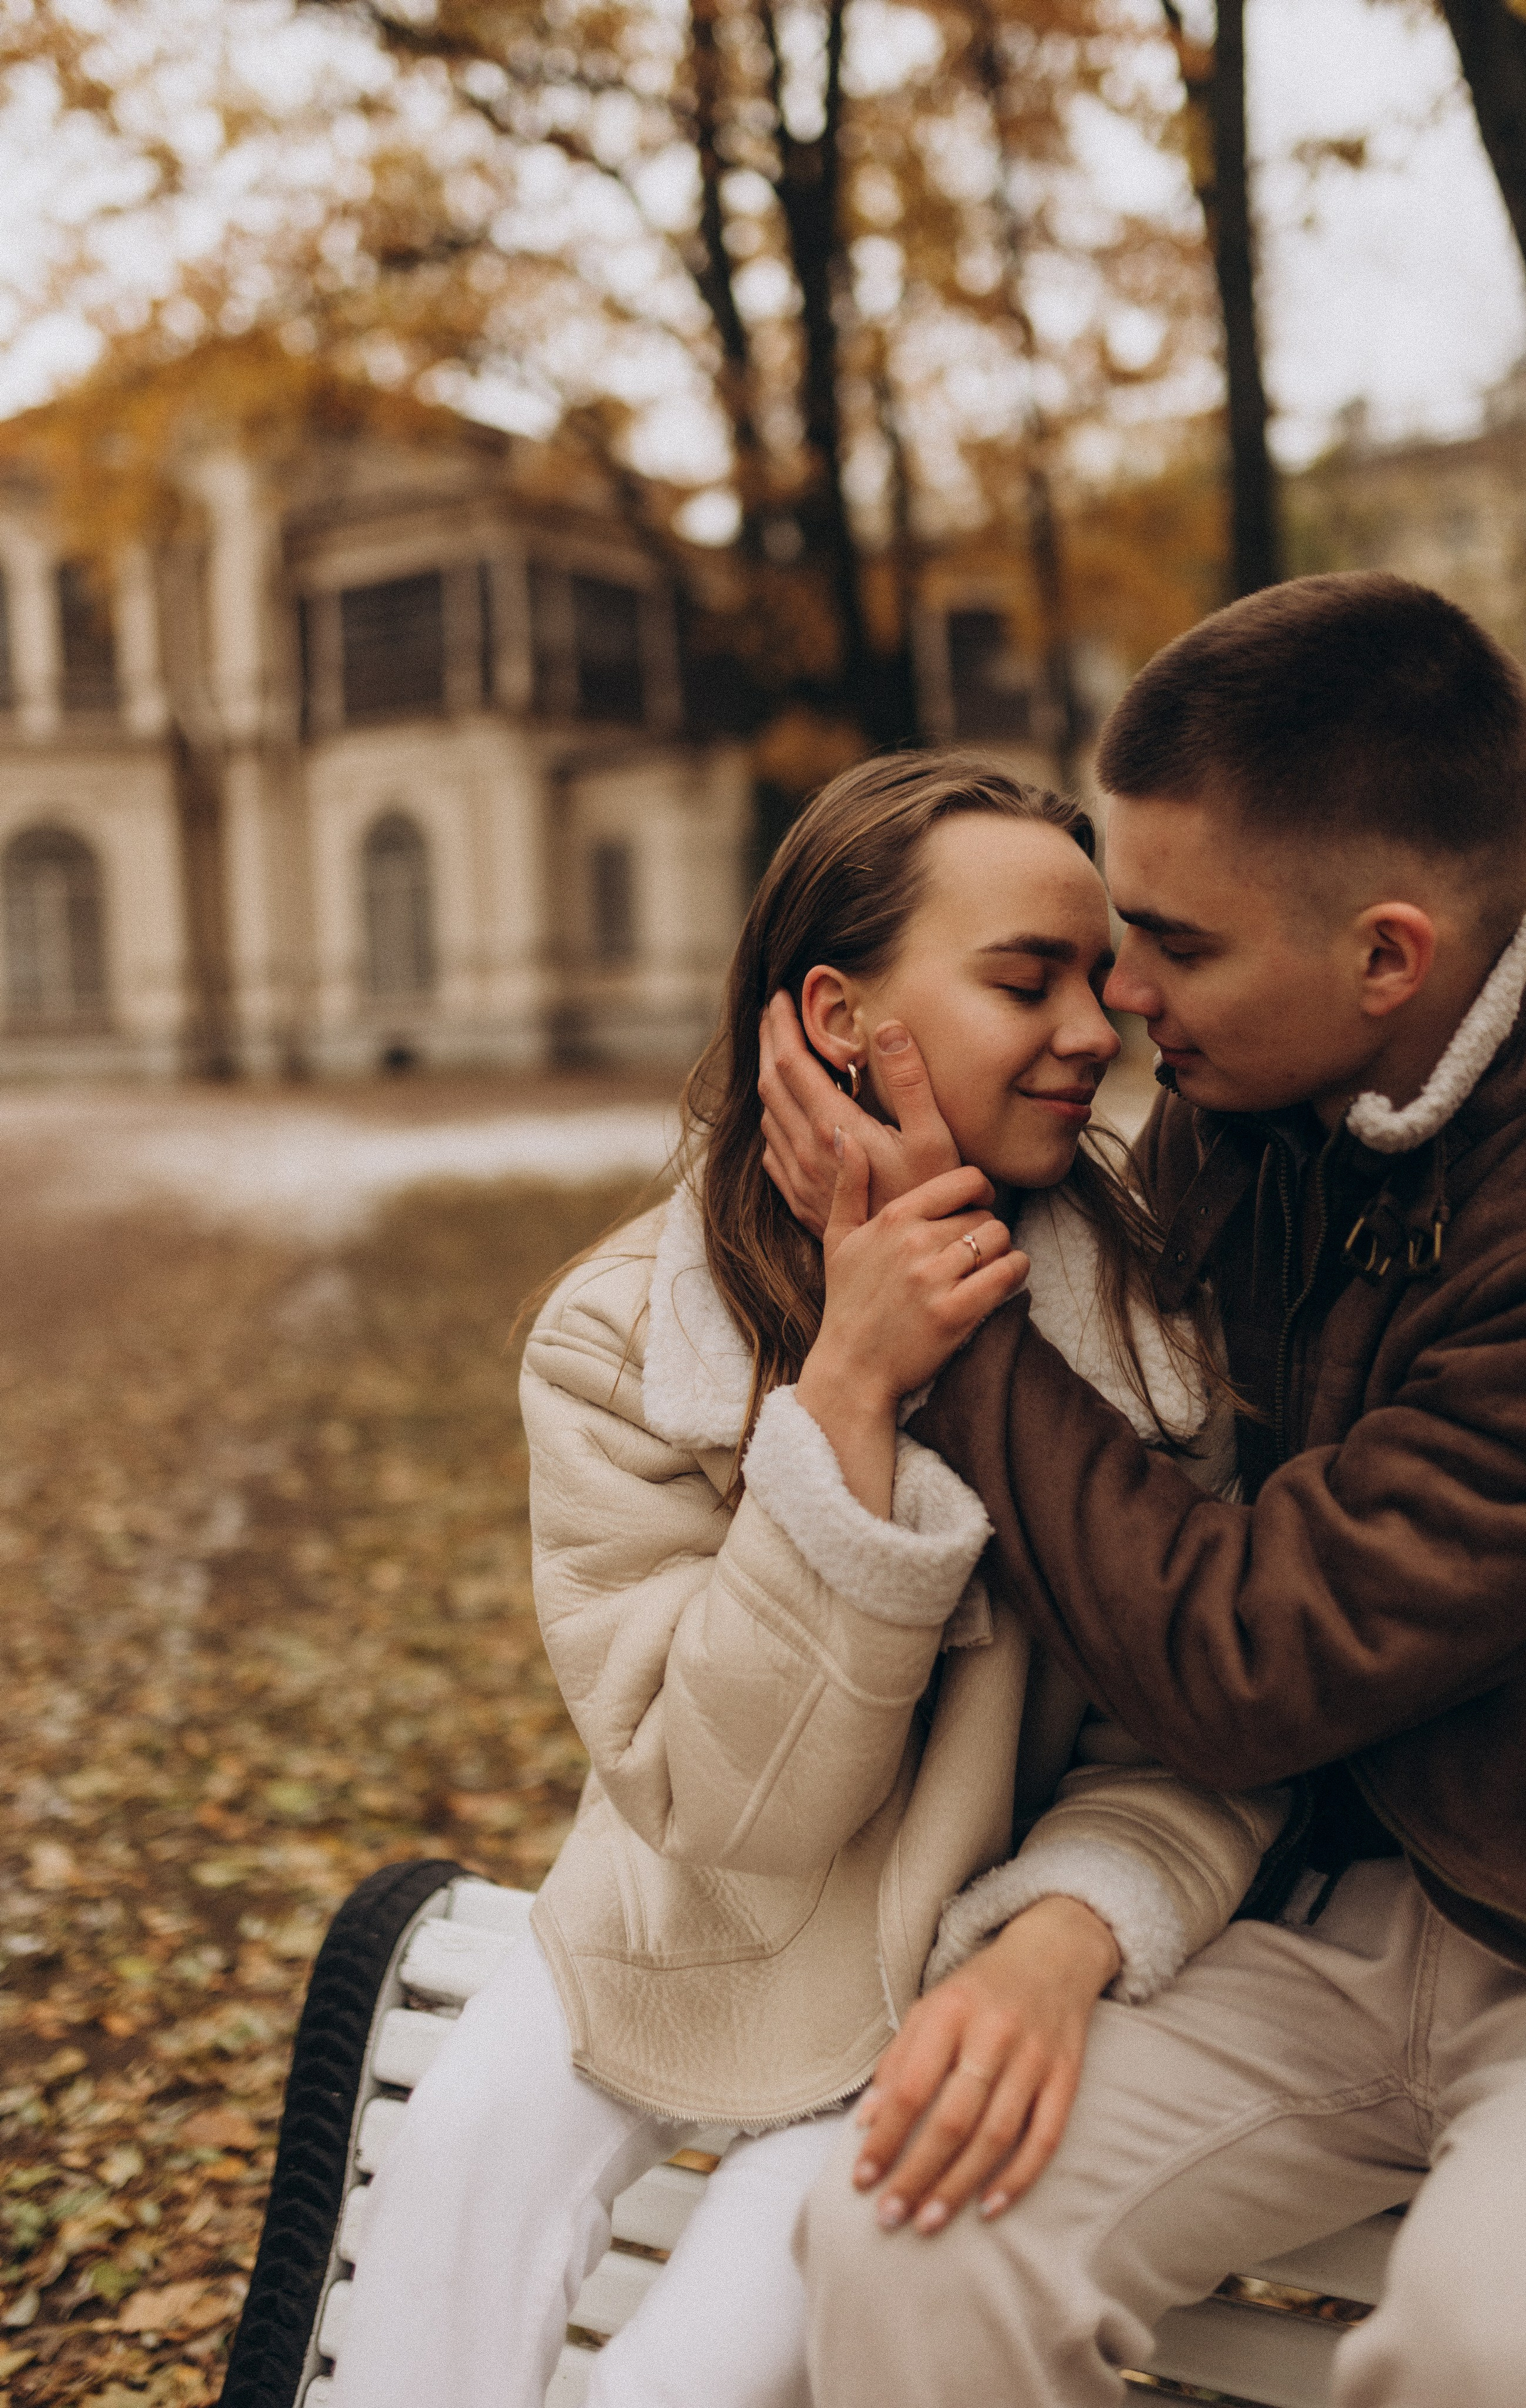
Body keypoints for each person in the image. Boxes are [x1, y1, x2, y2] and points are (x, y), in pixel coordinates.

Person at [326, 753, 1289, 2408]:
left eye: (1095, 972)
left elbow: (1207, 1748)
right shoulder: (624, 1339)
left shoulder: (1164, 1343)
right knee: (435, 2215)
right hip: (671, 1934)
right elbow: (727, 1808)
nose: (1094, 1027)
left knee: (690, 2382)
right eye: (1024, 980)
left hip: (948, 1994)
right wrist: (845, 1392)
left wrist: (1052, 1940)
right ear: (840, 1017)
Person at [759, 573, 1526, 2408]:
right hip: (1296, 1914)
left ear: (1389, 959)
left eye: (1173, 947)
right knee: (911, 2235)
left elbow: (1243, 1652)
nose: (1121, 1006)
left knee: (1503, 2346)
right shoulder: (1247, 1105)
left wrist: (945, 1309)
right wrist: (1075, 1925)